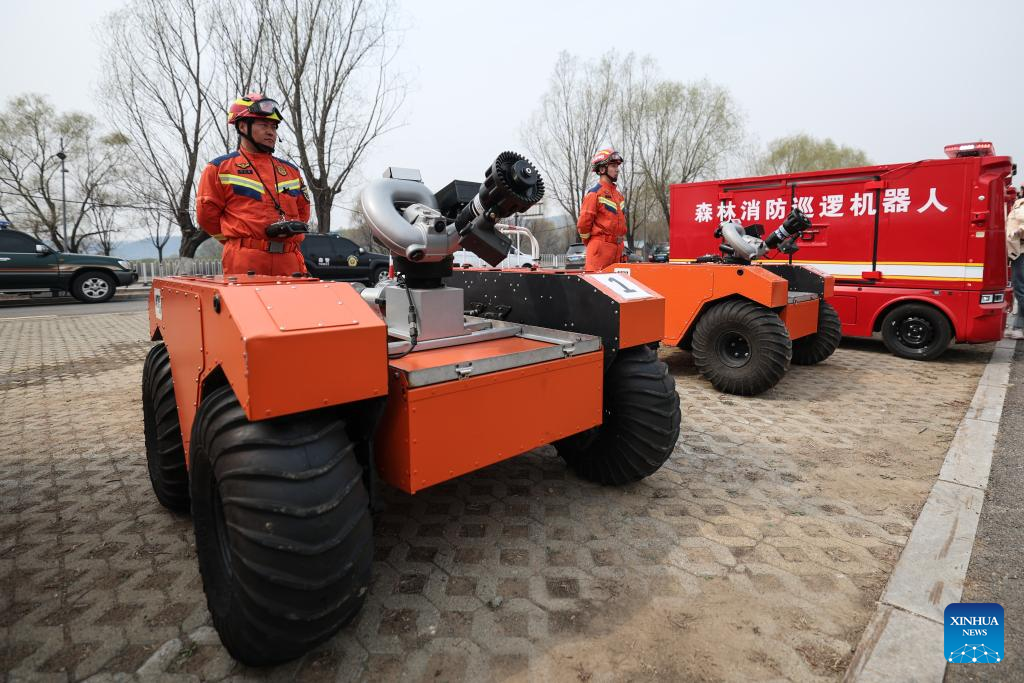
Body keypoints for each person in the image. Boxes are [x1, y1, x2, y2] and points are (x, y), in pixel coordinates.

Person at [196, 93, 311, 276]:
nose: (271, 132)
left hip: (288, 260)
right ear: (243, 126)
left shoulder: (291, 171)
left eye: (273, 126)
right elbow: (206, 217)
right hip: (245, 261)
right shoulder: (219, 169)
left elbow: (303, 213)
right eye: (263, 125)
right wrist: (238, 241)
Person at [577, 147, 627, 271]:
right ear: (602, 169)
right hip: (600, 250)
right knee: (596, 289)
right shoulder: (594, 194)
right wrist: (594, 242)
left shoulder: (619, 196)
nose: (617, 169)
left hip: (617, 249)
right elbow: (583, 225)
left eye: (617, 166)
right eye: (613, 166)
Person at [1007, 189, 1024, 339]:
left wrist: (1019, 231)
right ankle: (1018, 328)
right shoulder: (1018, 204)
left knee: (1020, 289)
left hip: (1021, 252)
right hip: (1016, 251)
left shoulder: (1021, 205)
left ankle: (1018, 327)